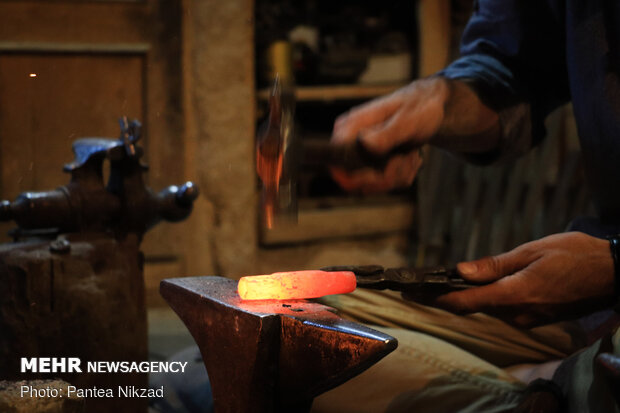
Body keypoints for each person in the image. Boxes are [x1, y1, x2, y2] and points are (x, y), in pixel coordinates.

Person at [311, 1, 620, 412]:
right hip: (591, 307)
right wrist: (439, 101)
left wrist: (613, 266)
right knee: (299, 329)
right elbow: (511, 69)